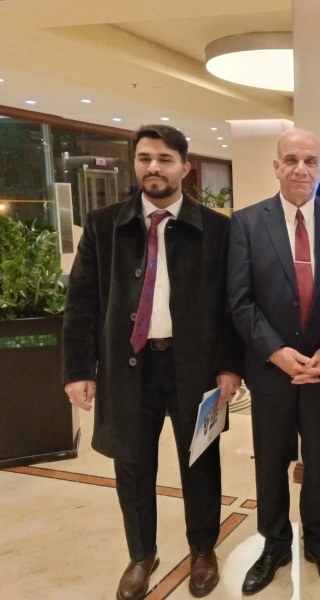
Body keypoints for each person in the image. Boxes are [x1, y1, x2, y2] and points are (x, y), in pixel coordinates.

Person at [63, 124, 244, 600]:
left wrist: (229, 365)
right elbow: (81, 302)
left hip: (194, 366)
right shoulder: (104, 225)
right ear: (135, 164)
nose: (153, 167)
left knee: (200, 460)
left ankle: (203, 550)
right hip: (128, 366)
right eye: (145, 158)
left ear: (185, 166)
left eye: (165, 159)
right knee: (132, 463)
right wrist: (78, 370)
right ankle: (141, 555)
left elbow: (231, 306)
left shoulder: (218, 229)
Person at [227, 128, 320, 595]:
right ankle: (274, 544)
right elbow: (239, 301)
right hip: (271, 370)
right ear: (276, 166)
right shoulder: (246, 223)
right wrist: (277, 353)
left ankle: (319, 542)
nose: (300, 169)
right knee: (270, 461)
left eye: (310, 161)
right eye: (291, 160)